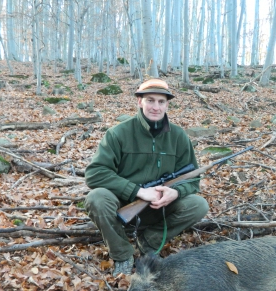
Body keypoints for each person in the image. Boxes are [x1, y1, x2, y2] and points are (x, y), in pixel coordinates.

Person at [84, 79, 209, 276]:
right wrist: (138, 191)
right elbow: (95, 173)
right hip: (122, 206)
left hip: (160, 208)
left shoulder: (178, 136)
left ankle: (148, 242)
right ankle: (123, 254)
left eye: (161, 102)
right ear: (139, 101)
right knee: (97, 198)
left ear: (168, 104)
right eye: (150, 100)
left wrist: (174, 192)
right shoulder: (118, 134)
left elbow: (191, 179)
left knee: (198, 204)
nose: (156, 107)